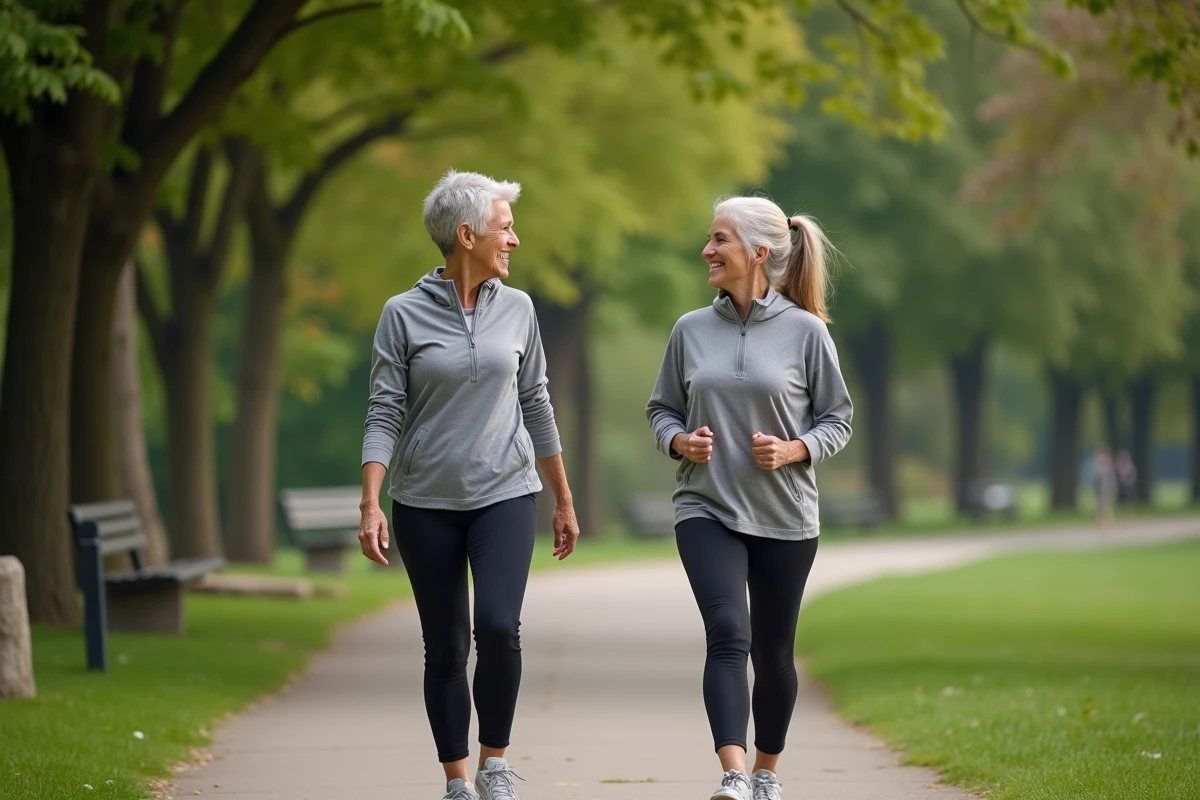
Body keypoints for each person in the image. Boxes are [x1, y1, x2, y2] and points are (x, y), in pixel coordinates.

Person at [359, 169, 580, 800]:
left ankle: (494, 765)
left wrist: (562, 497)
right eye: (505, 228)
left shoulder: (520, 309)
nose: (514, 240)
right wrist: (371, 501)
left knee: (500, 626)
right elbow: (383, 410)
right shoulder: (401, 315)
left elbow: (536, 402)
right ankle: (457, 779)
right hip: (424, 503)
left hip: (506, 494)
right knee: (447, 644)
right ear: (467, 235)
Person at [647, 196, 853, 800]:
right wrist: (680, 441)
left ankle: (766, 773)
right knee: (727, 631)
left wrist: (794, 451)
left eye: (720, 240)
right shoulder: (690, 330)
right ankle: (733, 775)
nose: (707, 251)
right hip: (705, 506)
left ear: (759, 253)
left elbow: (838, 419)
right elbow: (661, 409)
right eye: (710, 240)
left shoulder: (806, 333)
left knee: (774, 652)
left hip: (785, 515)